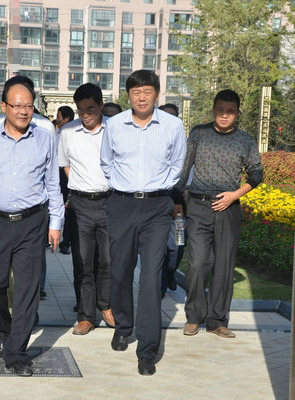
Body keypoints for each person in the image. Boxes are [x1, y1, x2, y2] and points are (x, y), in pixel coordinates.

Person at [0, 76, 64, 377]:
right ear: (4, 106)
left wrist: (56, 223)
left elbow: (53, 184)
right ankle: (2, 330)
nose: (23, 111)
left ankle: (16, 351)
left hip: (32, 222)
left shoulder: (44, 138)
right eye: (17, 105)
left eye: (28, 106)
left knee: (27, 289)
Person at [100, 69, 186, 376]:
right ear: (129, 96)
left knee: (151, 276)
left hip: (157, 206)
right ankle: (123, 327)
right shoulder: (114, 125)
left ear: (157, 94)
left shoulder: (173, 126)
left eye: (147, 91)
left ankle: (147, 350)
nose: (141, 97)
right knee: (120, 269)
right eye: (136, 92)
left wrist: (158, 187)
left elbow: (178, 165)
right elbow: (106, 162)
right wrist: (123, 186)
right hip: (121, 204)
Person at [174, 89, 262, 339]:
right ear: (213, 110)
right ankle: (194, 317)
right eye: (221, 110)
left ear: (237, 113)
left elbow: (257, 173)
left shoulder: (245, 140)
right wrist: (177, 201)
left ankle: (218, 321)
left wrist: (235, 195)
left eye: (230, 111)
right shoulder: (199, 133)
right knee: (198, 263)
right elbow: (184, 169)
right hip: (199, 206)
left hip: (229, 208)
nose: (225, 115)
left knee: (224, 266)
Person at [58, 83, 114, 335]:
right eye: (81, 110)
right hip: (80, 205)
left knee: (109, 259)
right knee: (82, 262)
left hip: (110, 202)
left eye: (90, 109)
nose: (85, 114)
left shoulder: (114, 129)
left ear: (101, 105)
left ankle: (107, 305)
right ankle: (85, 315)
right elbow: (65, 164)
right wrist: (79, 185)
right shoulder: (68, 132)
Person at [157, 103, 185, 297]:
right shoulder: (151, 142)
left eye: (173, 116)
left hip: (179, 208)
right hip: (156, 206)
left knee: (177, 246)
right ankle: (160, 286)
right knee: (157, 249)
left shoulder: (184, 143)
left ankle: (170, 272)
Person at [54, 106, 76, 257]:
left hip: (68, 173)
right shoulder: (55, 133)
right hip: (55, 173)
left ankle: (66, 241)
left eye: (59, 116)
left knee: (69, 209)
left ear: (67, 118)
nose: (57, 119)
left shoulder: (73, 134)